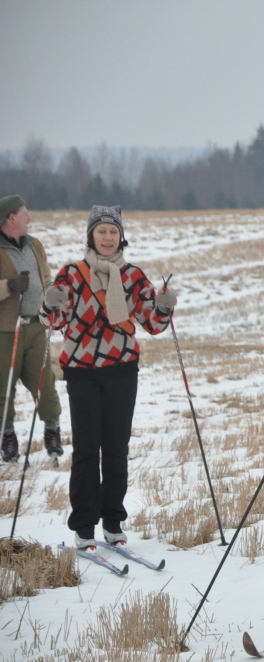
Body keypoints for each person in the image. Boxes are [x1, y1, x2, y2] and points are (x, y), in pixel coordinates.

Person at [39, 205, 176, 551]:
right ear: (91, 235)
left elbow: (153, 324)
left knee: (116, 448)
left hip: (122, 371)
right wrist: (49, 302)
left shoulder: (132, 276)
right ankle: (84, 526)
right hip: (82, 373)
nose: (107, 237)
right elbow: (52, 321)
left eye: (113, 232)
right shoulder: (71, 274)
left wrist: (163, 306)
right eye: (101, 231)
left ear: (121, 237)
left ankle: (113, 521)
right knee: (86, 450)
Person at [0, 194, 63, 463]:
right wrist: (9, 287)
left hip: (37, 325)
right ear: (11, 218)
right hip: (5, 330)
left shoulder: (36, 245)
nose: (30, 218)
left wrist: (53, 297)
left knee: (44, 382)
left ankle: (52, 432)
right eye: (25, 213)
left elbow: (46, 278)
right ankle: (8, 437)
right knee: (3, 387)